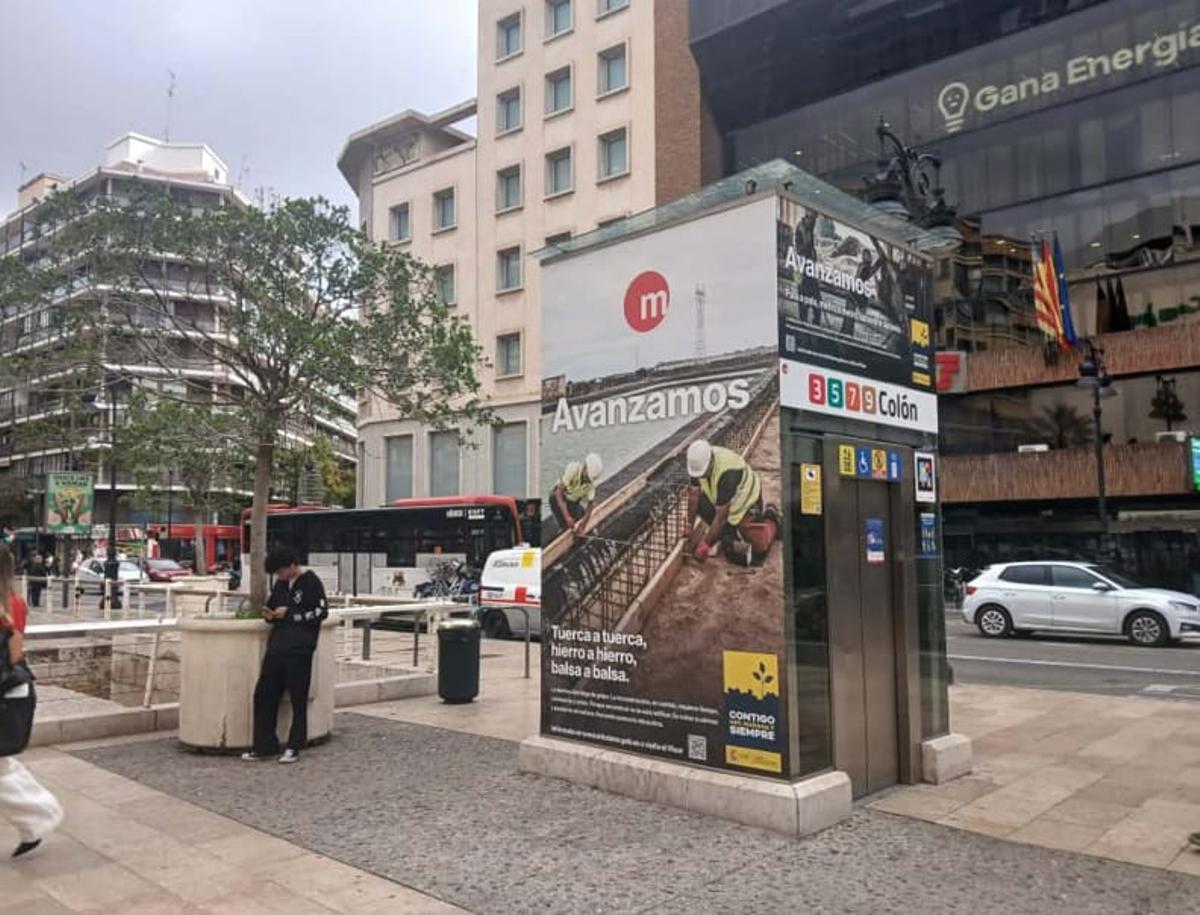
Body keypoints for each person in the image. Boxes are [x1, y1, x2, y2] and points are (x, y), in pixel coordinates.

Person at [0, 545, 63, 858]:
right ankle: (37, 818)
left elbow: (11, 655)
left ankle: (39, 816)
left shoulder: (9, 606)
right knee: (3, 764)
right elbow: (16, 654)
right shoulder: (16, 603)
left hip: (5, 692)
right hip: (12, 691)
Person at [242, 547, 328, 764]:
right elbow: (272, 608)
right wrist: (270, 614)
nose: (279, 577)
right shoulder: (280, 585)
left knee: (298, 700)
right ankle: (263, 746)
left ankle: (294, 746)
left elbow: (321, 612)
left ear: (292, 566)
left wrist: (291, 614)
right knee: (264, 696)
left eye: (281, 572)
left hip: (300, 651)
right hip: (277, 648)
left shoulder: (311, 582)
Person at [685, 440, 779, 566]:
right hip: (724, 506)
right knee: (701, 505)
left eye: (703, 472)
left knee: (757, 552)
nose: (700, 476)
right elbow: (694, 497)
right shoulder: (698, 464)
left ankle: (771, 516)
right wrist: (689, 526)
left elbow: (721, 517)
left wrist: (705, 545)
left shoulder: (727, 474)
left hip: (746, 506)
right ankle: (724, 536)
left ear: (711, 460)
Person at [550, 453, 603, 537]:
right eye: (587, 477)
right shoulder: (573, 469)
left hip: (573, 502)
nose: (588, 480)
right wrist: (567, 516)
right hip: (559, 498)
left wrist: (583, 524)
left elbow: (590, 507)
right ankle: (562, 528)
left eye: (590, 479)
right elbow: (558, 493)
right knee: (565, 524)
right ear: (585, 467)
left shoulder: (590, 484)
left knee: (579, 518)